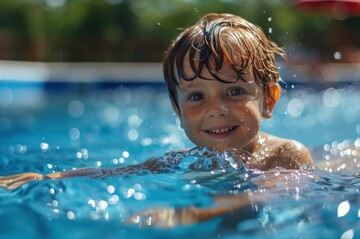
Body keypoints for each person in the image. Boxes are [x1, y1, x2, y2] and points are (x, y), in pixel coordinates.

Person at [0, 13, 313, 220]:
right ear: (178, 112)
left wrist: (190, 215)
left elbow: (272, 194)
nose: (215, 109)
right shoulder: (186, 158)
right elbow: (118, 172)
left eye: (234, 92)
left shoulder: (286, 154)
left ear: (269, 100)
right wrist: (45, 179)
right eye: (196, 96)